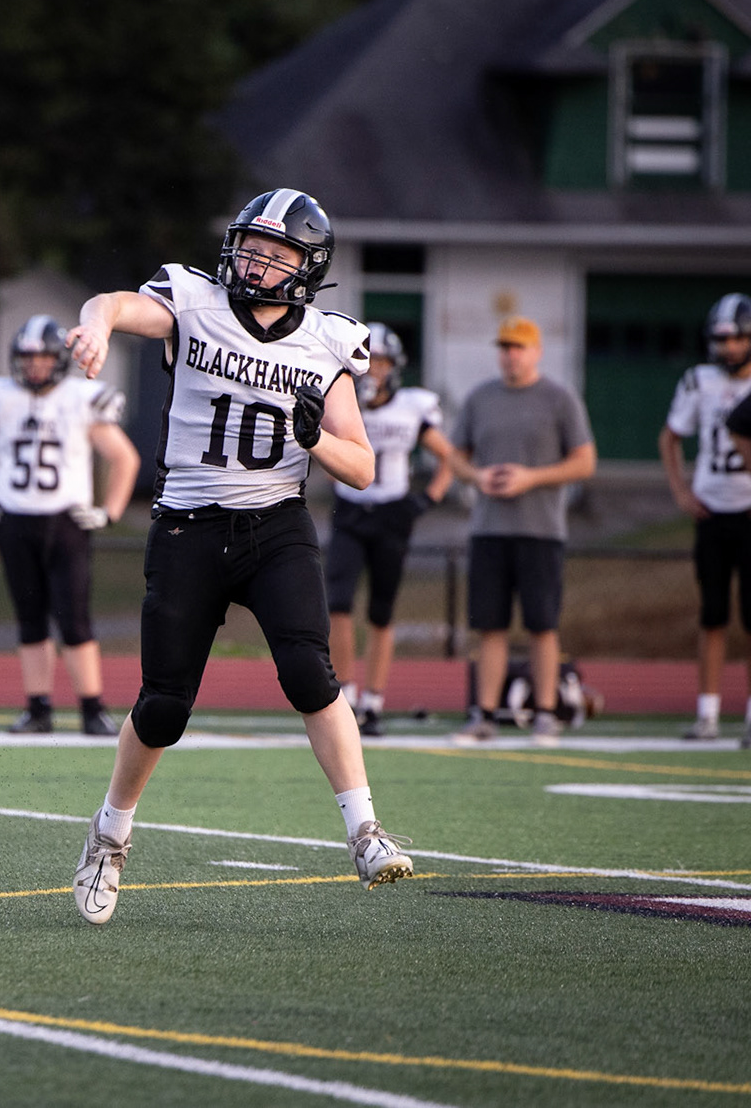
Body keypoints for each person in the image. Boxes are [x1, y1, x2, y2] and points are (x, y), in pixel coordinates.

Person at [65, 188, 414, 926]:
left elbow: (363, 469)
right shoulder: (193, 302)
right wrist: (95, 322)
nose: (255, 261)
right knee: (163, 707)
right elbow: (122, 305)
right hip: (188, 525)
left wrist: (318, 437)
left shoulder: (328, 341)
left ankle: (365, 831)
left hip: (274, 525)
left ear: (306, 266)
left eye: (274, 251)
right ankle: (109, 835)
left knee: (308, 671)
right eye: (250, 246)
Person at [0, 315, 139, 735]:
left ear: (59, 360)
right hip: (14, 518)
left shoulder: (82, 398)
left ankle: (92, 709)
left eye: (43, 357)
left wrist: (110, 511)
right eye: (27, 358)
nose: (34, 366)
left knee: (74, 619)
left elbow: (125, 458)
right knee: (30, 618)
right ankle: (38, 709)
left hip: (66, 521)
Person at [448, 316, 596, 746]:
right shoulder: (481, 398)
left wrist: (532, 478)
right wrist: (476, 477)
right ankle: (484, 715)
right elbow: (455, 456)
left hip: (541, 531)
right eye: (505, 347)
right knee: (490, 626)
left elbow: (585, 462)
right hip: (489, 530)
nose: (511, 355)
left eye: (519, 347)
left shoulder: (559, 399)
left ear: (537, 351)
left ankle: (546, 713)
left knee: (542, 625)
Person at [325, 322, 453, 736]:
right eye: (369, 361)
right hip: (351, 510)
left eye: (381, 361)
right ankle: (344, 696)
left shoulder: (412, 406)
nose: (374, 370)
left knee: (382, 612)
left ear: (394, 366)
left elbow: (449, 457)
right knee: (338, 602)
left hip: (392, 513)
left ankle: (374, 701)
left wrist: (428, 499)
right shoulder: (341, 402)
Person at [662, 294, 751, 743]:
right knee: (712, 614)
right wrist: (681, 490)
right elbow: (671, 436)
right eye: (721, 339)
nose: (728, 347)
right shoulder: (700, 381)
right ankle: (708, 713)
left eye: (736, 338)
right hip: (712, 507)